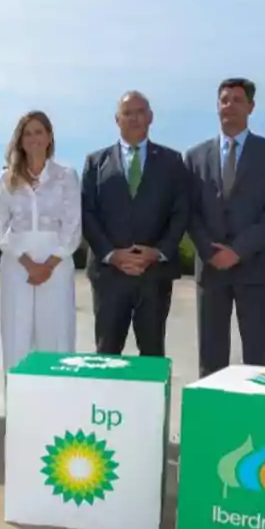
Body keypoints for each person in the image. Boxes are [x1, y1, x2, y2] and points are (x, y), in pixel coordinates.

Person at [185, 78, 265, 377]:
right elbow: (188, 212)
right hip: (211, 269)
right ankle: (211, 420)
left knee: (256, 358)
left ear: (251, 107)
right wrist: (209, 251)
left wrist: (238, 251)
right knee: (210, 356)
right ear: (217, 106)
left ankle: (254, 421)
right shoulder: (194, 157)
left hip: (255, 269)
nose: (229, 105)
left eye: (237, 100)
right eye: (224, 99)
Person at [81, 91, 188, 357]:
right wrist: (111, 254)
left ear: (150, 117)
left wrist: (158, 252)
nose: (134, 118)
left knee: (152, 354)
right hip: (109, 277)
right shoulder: (96, 162)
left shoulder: (172, 161)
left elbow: (181, 212)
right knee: (106, 354)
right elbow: (87, 213)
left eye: (140, 112)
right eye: (127, 113)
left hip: (153, 276)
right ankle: (104, 400)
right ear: (117, 119)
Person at [0, 111, 81, 371]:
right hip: (17, 265)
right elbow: (0, 227)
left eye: (39, 132)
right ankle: (19, 407)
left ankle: (56, 404)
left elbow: (72, 225)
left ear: (49, 136)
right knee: (16, 337)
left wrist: (48, 264)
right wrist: (29, 264)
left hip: (57, 265)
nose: (33, 138)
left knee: (56, 336)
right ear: (20, 140)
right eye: (27, 133)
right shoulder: (6, 179)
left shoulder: (66, 176)